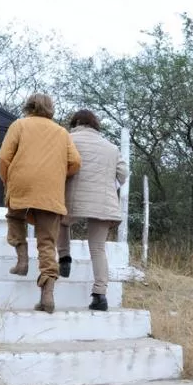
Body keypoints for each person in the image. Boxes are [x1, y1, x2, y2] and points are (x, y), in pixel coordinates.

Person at [0, 93, 81, 313]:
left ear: (28, 106)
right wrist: (58, 175)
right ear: (50, 109)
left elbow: (4, 157)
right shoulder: (62, 132)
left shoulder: (19, 125)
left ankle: (22, 260)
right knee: (47, 241)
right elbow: (75, 162)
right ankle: (48, 295)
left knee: (15, 216)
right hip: (51, 188)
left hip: (22, 181)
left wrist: (8, 180)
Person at [57, 110, 128, 312]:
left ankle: (64, 258)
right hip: (104, 201)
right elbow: (123, 174)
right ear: (96, 125)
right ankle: (100, 295)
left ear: (76, 123)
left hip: (73, 197)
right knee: (98, 248)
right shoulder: (111, 147)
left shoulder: (67, 139)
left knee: (62, 222)